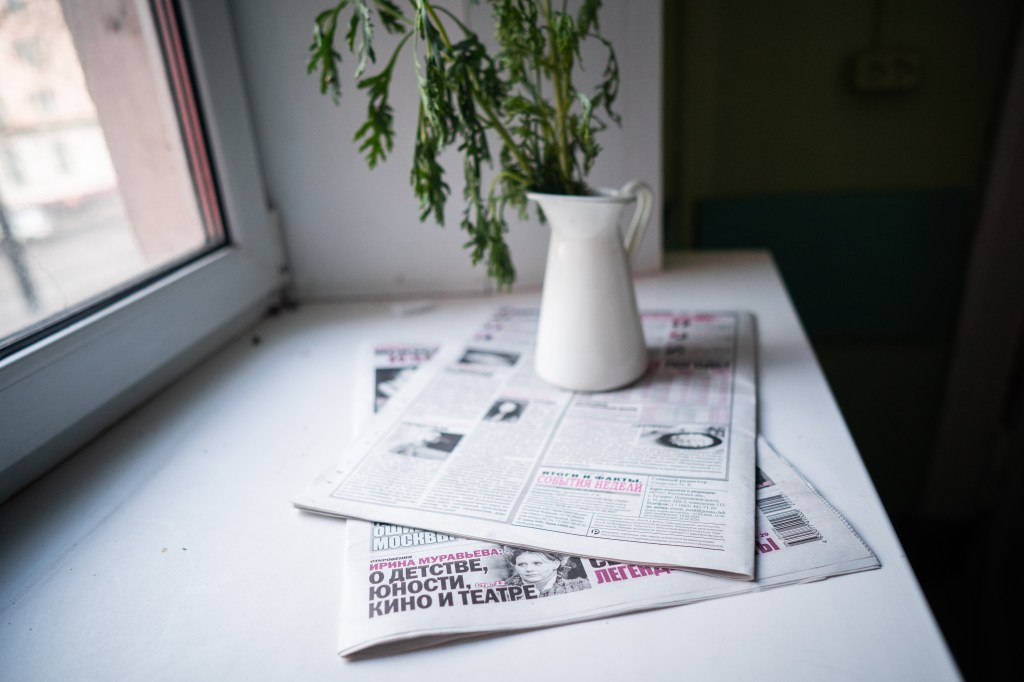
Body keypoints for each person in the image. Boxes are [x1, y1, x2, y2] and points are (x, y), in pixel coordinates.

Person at [503, 548, 591, 597]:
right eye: (521, 564)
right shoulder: (503, 591)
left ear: (555, 564)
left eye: (537, 563)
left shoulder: (581, 586)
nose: (529, 569)